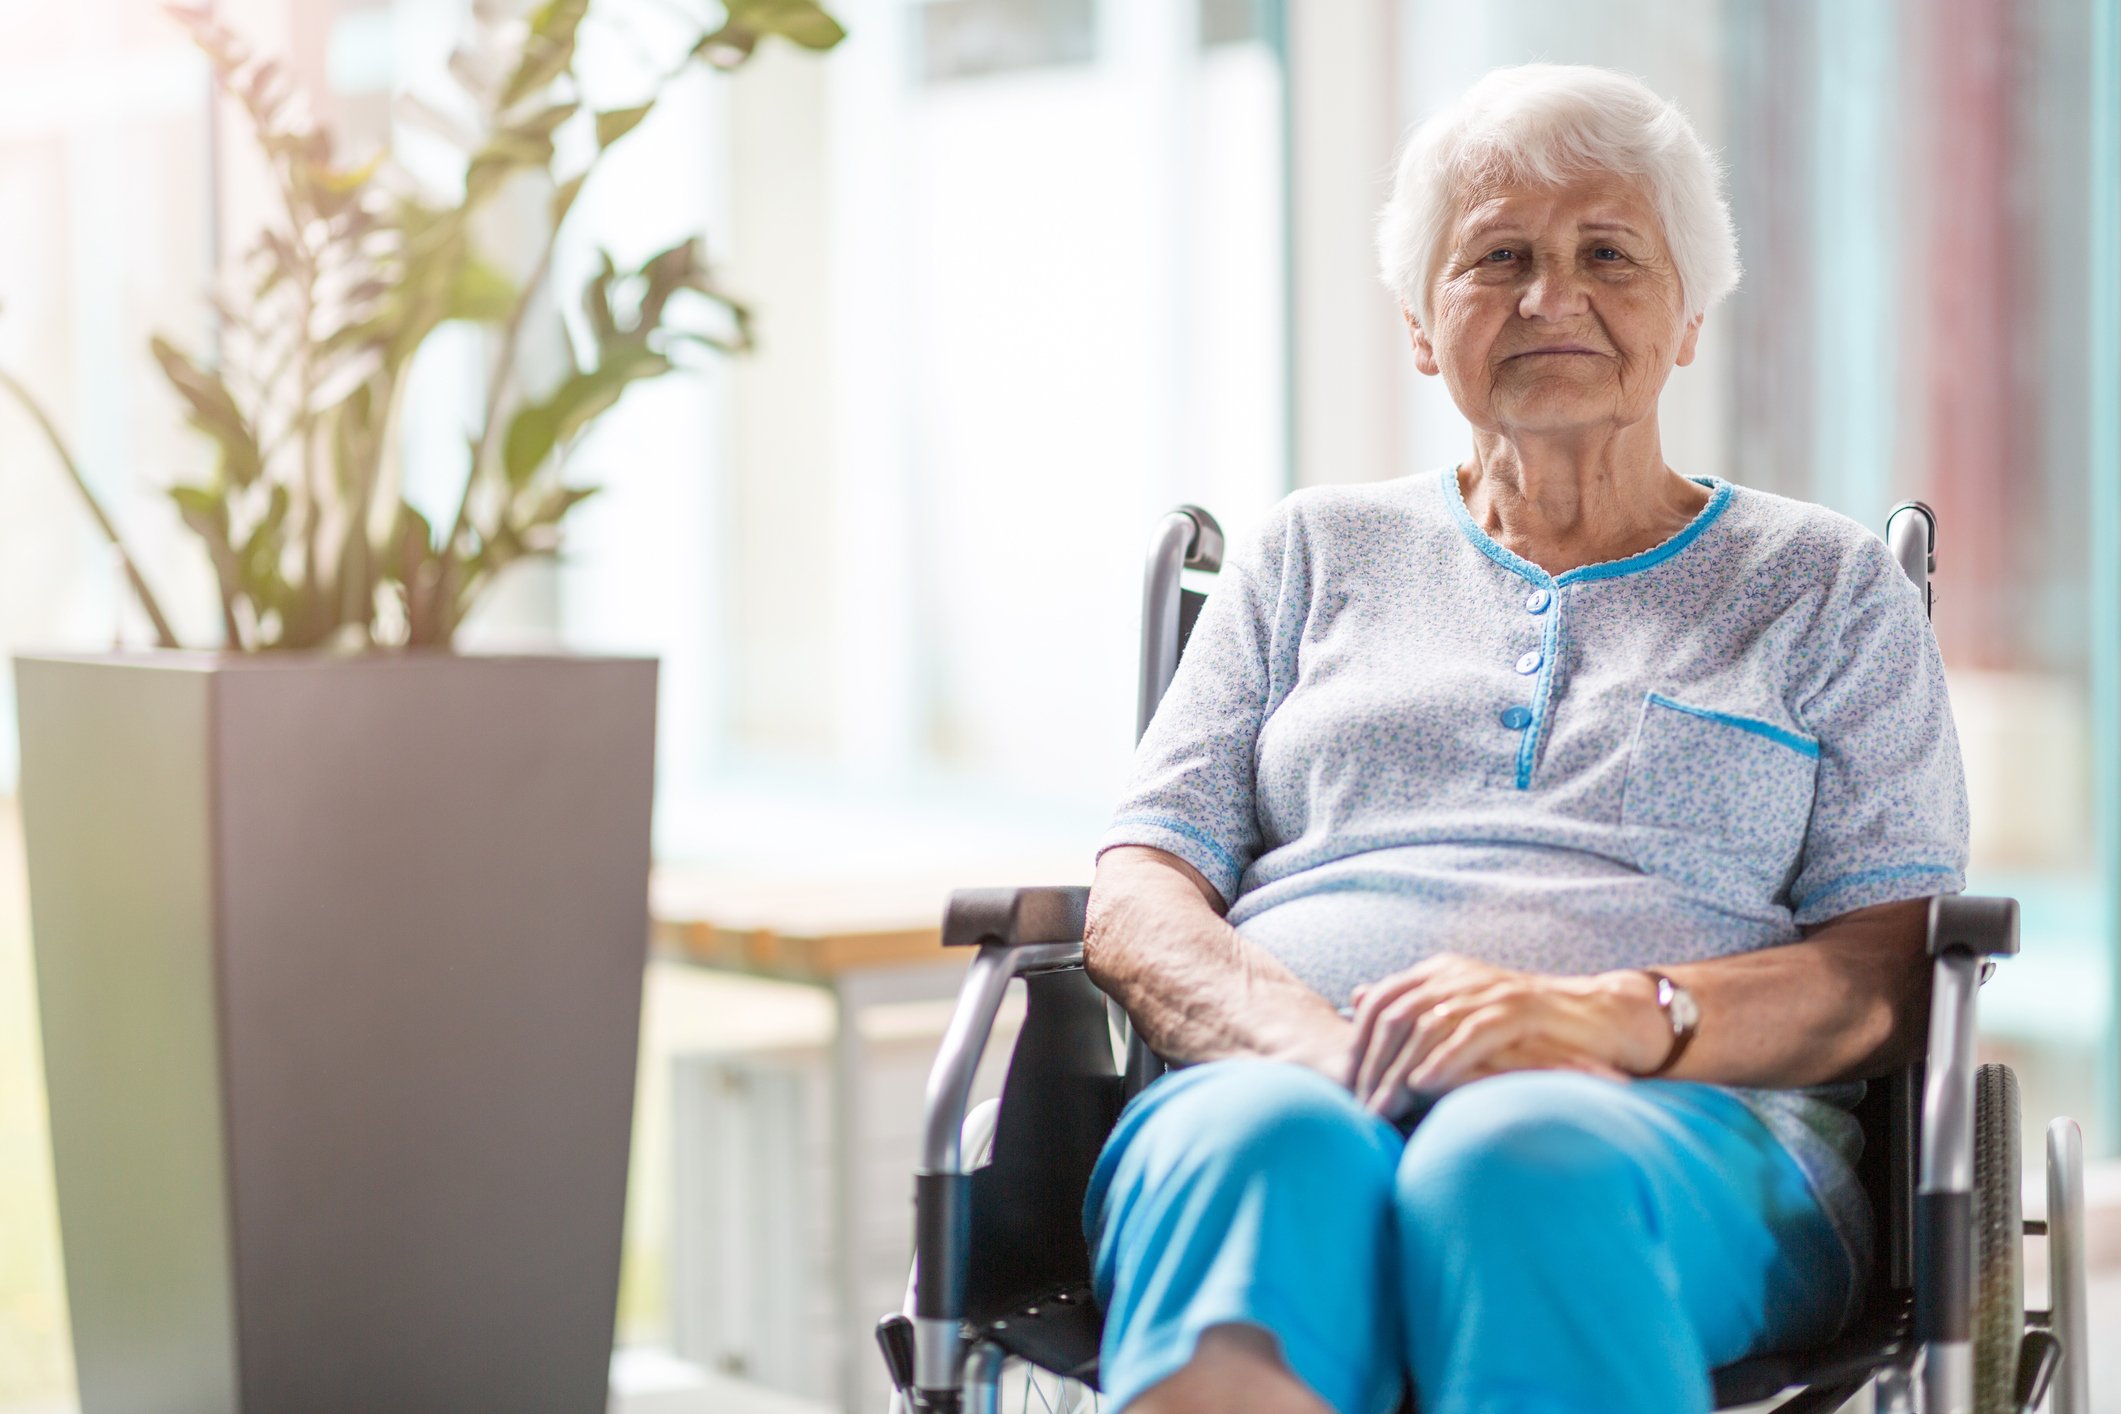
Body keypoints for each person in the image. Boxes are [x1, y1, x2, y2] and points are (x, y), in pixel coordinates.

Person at [1080, 62, 1967, 1414]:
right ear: (1420, 326)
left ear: (1687, 317)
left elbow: (1885, 969)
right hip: (1284, 1079)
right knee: (1267, 1142)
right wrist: (1312, 1047)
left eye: (1608, 254)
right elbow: (1139, 888)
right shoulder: (1306, 553)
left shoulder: (1823, 585)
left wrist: (1606, 1018)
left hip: (1690, 1123)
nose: (1552, 298)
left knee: (1512, 1152)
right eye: (1498, 257)